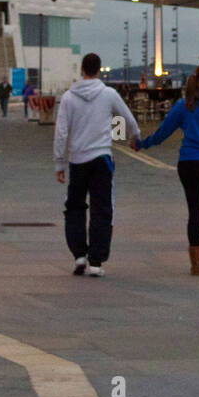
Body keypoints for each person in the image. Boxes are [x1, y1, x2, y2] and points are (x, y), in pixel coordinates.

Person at [133, 63, 199, 276]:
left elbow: (163, 131)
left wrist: (142, 144)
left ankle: (196, 265)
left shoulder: (186, 104)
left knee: (195, 211)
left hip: (189, 163)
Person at [54, 53, 140, 278]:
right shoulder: (109, 94)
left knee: (74, 207)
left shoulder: (68, 98)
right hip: (101, 158)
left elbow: (61, 132)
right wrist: (134, 136)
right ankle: (96, 261)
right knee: (102, 208)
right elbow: (127, 118)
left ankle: (79, 255)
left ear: (82, 70)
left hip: (77, 160)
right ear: (99, 70)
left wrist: (59, 163)